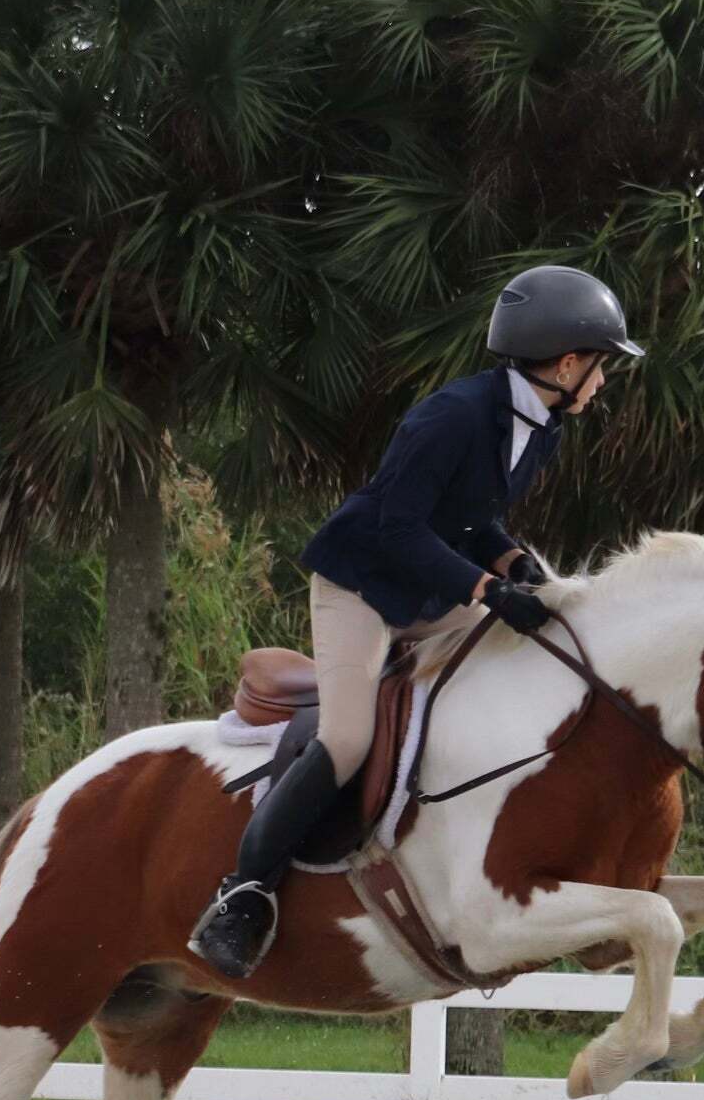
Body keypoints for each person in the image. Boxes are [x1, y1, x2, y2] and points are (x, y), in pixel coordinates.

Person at [187, 263, 644, 979]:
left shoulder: (544, 425)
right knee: (346, 737)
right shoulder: (451, 416)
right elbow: (397, 529)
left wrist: (511, 558)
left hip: (434, 591)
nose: (604, 381)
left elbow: (469, 516)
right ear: (566, 363)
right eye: (602, 366)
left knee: (528, 667)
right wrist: (488, 592)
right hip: (364, 589)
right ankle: (242, 897)